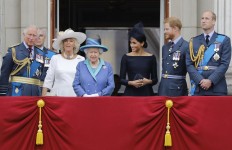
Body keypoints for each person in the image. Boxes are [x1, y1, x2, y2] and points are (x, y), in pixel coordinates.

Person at [186, 10, 231, 96]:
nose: (203, 21)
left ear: (213, 21)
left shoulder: (224, 40)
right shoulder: (193, 41)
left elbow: (224, 64)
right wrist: (200, 80)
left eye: (207, 18)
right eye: (202, 18)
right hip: (199, 88)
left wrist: (210, 80)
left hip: (217, 87)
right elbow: (189, 64)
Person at [0, 25, 45, 96]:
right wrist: (2, 93)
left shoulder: (41, 54)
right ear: (24, 35)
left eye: (34, 35)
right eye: (29, 35)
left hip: (35, 94)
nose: (31, 38)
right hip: (17, 92)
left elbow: (42, 76)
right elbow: (4, 74)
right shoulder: (13, 51)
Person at [42, 28, 86, 96]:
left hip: (74, 96)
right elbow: (48, 79)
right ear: (62, 44)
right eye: (66, 41)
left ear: (75, 44)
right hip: (57, 96)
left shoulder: (81, 59)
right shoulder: (55, 58)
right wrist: (43, 98)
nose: (68, 43)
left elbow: (83, 81)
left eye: (71, 41)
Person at [120, 22, 158, 96]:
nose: (131, 45)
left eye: (134, 43)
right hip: (130, 94)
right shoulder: (126, 57)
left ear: (142, 43)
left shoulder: (151, 57)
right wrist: (131, 83)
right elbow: (121, 79)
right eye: (130, 43)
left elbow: (155, 80)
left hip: (147, 94)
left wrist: (148, 81)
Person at [158, 17, 188, 96]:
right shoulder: (165, 47)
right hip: (163, 88)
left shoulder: (186, 46)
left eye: (167, 29)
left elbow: (191, 69)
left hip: (177, 89)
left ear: (175, 28)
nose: (164, 32)